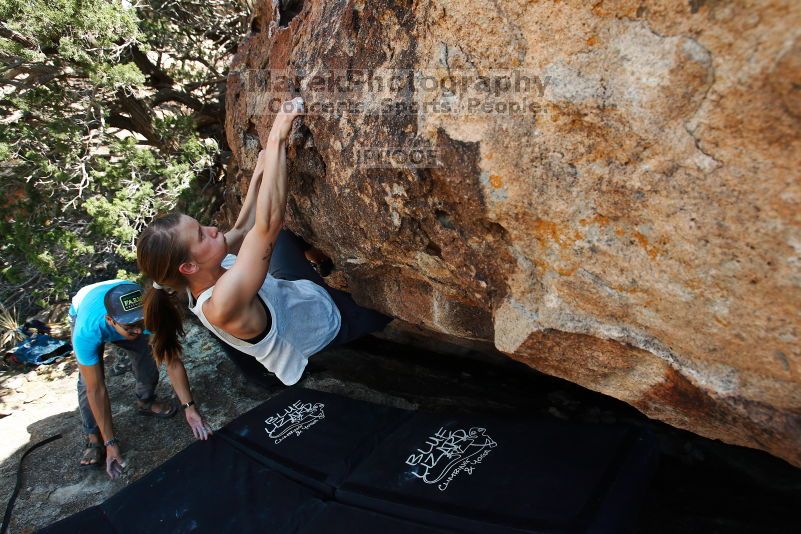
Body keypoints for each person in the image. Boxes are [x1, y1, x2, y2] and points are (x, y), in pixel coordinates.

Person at [135, 97, 391, 386]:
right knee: (387, 301)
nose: (211, 229)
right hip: (330, 321)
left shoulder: (206, 264)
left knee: (284, 236)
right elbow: (266, 224)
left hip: (293, 290)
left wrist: (259, 174)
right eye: (200, 235)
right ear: (189, 267)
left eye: (200, 225)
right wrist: (277, 137)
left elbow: (243, 228)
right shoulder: (222, 303)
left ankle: (319, 261)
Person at [70, 280, 212, 479]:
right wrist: (111, 443)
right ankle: (94, 436)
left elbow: (172, 361)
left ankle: (145, 401)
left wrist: (189, 408)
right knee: (88, 383)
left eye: (142, 324)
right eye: (131, 327)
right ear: (111, 321)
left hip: (122, 298)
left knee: (147, 355)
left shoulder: (152, 314)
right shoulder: (87, 330)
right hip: (84, 307)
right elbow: (97, 390)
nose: (138, 331)